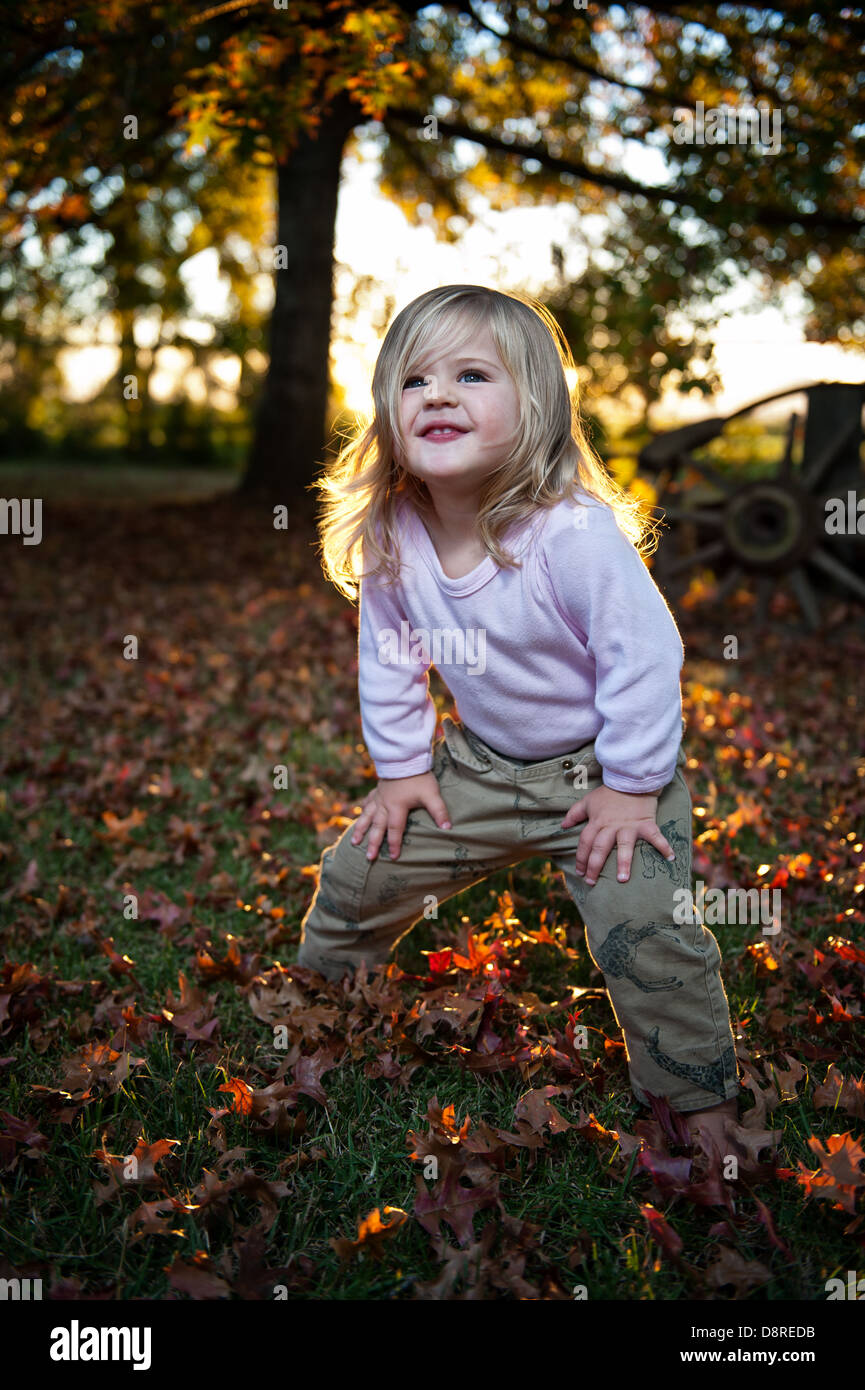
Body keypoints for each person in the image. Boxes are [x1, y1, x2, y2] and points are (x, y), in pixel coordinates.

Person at [299, 284, 740, 1152]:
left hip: (604, 779)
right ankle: (315, 1008)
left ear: (536, 408)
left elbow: (642, 658)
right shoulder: (396, 530)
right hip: (479, 768)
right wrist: (402, 772)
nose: (438, 395)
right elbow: (391, 657)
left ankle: (698, 1100)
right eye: (414, 379)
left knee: (644, 931)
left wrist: (632, 788)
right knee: (359, 876)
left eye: (470, 375)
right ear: (387, 409)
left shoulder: (569, 535)